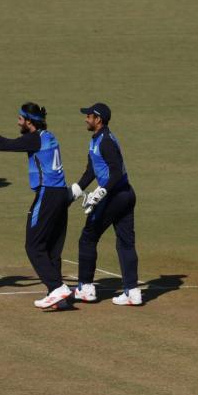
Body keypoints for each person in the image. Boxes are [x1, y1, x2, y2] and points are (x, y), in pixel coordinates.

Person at [0, 103, 72, 309]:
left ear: (29, 121)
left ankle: (57, 288)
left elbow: (4, 145)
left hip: (47, 194)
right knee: (52, 248)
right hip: (61, 194)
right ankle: (58, 296)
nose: (18, 121)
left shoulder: (34, 138)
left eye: (20, 119)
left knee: (33, 245)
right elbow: (10, 141)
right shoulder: (47, 135)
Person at [69, 103, 142, 306]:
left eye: (89, 116)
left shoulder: (106, 142)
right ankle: (133, 292)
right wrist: (75, 191)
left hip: (115, 196)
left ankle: (86, 288)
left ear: (98, 120)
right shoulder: (97, 140)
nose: (86, 119)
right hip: (124, 195)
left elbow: (117, 171)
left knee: (87, 238)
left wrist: (100, 192)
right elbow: (91, 171)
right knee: (125, 242)